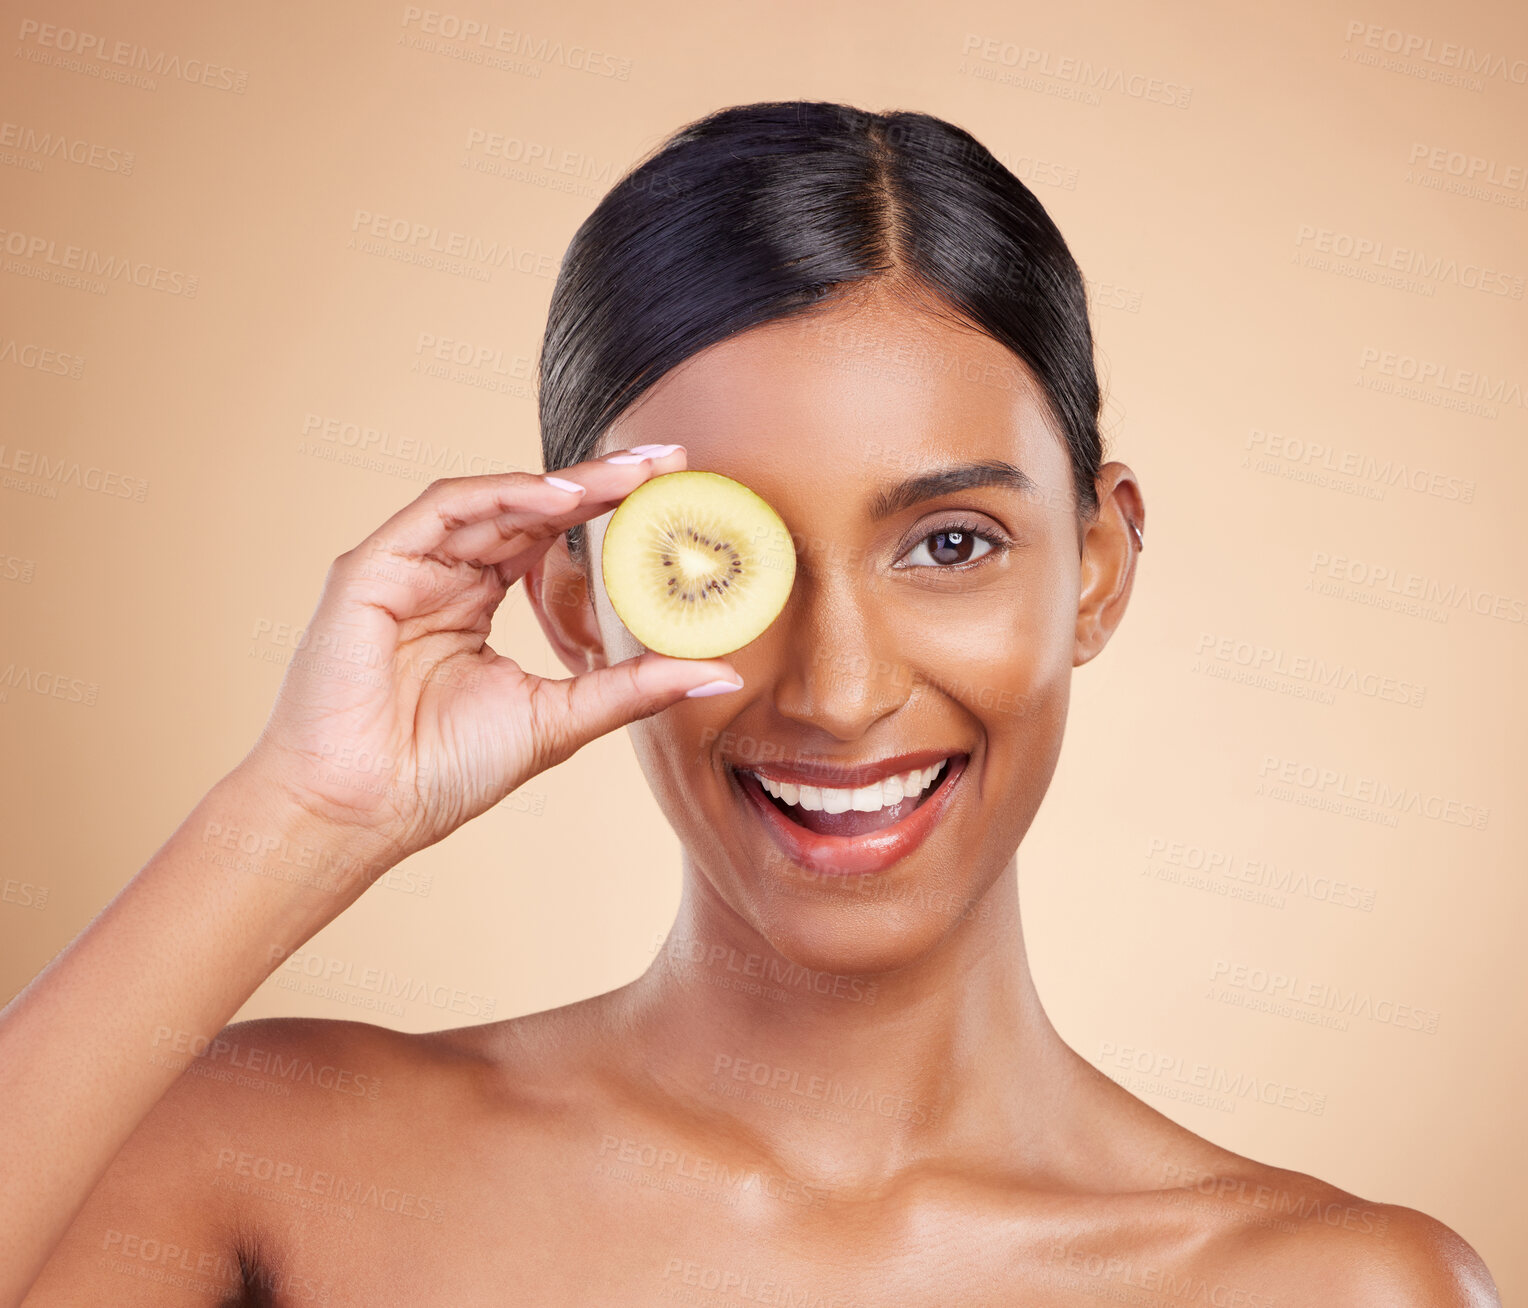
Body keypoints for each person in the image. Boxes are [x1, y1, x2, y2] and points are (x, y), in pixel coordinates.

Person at [3, 100, 1499, 1306]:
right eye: (733, 559)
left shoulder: (1329, 1284)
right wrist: (297, 814)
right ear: (579, 596)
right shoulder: (256, 1157)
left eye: (949, 544)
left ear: (1098, 566)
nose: (841, 692)